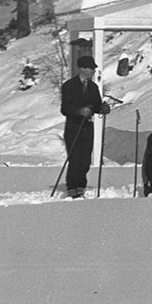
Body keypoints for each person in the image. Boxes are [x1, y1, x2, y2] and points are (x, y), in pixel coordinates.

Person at [59, 55, 111, 198]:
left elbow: (96, 106)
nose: (94, 71)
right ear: (82, 69)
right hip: (73, 127)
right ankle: (72, 187)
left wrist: (103, 109)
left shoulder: (93, 87)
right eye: (91, 69)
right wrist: (79, 111)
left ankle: (81, 185)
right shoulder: (69, 86)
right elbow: (65, 108)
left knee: (85, 161)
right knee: (75, 159)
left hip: (87, 128)